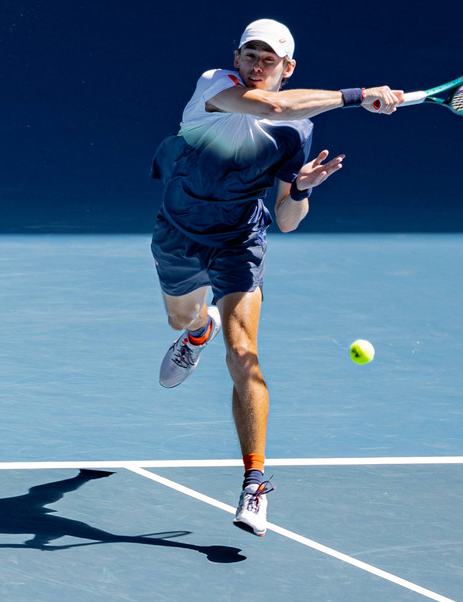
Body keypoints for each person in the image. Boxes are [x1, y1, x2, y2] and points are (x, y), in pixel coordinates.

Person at [150, 18, 405, 536]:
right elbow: (271, 106)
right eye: (251, 55)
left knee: (245, 354)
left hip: (241, 241)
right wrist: (359, 95)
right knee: (182, 315)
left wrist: (303, 189)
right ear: (236, 57)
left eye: (269, 59)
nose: (257, 65)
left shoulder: (298, 132)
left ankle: (254, 483)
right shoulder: (215, 86)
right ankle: (198, 331)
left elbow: (287, 221)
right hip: (180, 230)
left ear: (288, 68)